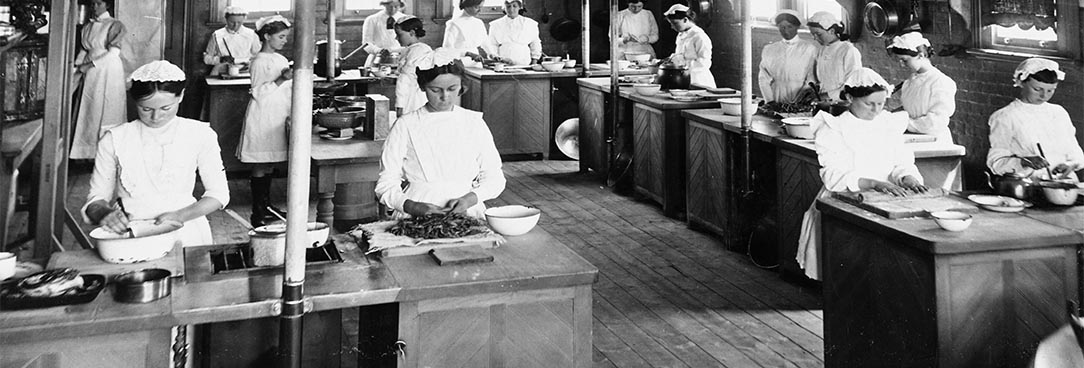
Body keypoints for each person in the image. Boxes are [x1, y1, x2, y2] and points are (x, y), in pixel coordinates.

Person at [796, 68, 927, 280]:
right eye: (869, 104)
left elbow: (900, 161)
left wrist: (907, 176)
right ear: (849, 97)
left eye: (881, 103)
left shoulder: (888, 123)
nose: (876, 110)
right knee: (847, 273)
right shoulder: (833, 128)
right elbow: (833, 176)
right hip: (843, 202)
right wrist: (873, 183)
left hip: (886, 202)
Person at [82, 60, 229, 247]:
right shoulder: (114, 138)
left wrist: (179, 216)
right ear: (135, 101)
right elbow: (95, 200)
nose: (156, 117)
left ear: (181, 96)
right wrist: (105, 214)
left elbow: (219, 194)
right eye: (146, 109)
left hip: (186, 230)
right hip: (132, 232)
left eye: (166, 108)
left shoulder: (200, 134)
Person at [375, 56, 506, 219]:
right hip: (416, 210)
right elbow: (386, 183)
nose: (445, 97)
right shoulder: (405, 125)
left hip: (468, 210)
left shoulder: (473, 122)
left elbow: (494, 177)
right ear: (423, 87)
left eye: (452, 89)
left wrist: (470, 199)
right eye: (435, 90)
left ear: (461, 86)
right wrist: (411, 205)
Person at [986, 58, 1084, 180]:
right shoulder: (1006, 116)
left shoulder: (1059, 113)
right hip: (1031, 185)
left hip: (1065, 184)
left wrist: (1070, 164)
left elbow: (1075, 151)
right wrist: (1023, 162)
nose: (1044, 96)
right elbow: (996, 162)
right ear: (1021, 82)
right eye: (1037, 89)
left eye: (1050, 90)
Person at [237, 15, 292, 226]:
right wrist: (281, 79)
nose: (284, 41)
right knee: (261, 162)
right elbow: (258, 92)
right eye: (281, 37)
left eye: (285, 37)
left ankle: (267, 205)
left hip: (277, 114)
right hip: (262, 115)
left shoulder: (279, 59)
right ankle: (258, 211)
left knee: (269, 162)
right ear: (267, 36)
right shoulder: (259, 61)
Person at [71, 0, 126, 160]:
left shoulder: (115, 25)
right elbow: (84, 50)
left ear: (106, 5)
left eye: (98, 3)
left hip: (108, 69)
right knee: (89, 108)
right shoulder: (87, 26)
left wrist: (89, 65)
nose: (94, 7)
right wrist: (76, 66)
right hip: (89, 69)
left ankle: (106, 155)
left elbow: (113, 53)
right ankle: (87, 154)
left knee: (106, 109)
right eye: (92, 4)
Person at [887, 32, 957, 143]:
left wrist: (904, 123)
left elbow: (936, 122)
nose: (901, 64)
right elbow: (911, 109)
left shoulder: (941, 82)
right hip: (913, 138)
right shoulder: (909, 82)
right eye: (899, 60)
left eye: (905, 60)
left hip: (934, 142)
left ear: (921, 55)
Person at [758, 9, 818, 103]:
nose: (786, 31)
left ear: (797, 26)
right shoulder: (769, 49)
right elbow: (763, 78)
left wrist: (799, 101)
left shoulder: (808, 48)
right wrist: (770, 101)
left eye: (790, 27)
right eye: (782, 27)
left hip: (799, 96)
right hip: (775, 95)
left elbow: (811, 79)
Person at [807, 11, 861, 103]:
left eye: (819, 34)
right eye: (813, 35)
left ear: (832, 31)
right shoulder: (821, 50)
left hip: (842, 103)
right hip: (824, 102)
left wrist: (826, 95)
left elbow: (853, 84)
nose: (815, 38)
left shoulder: (848, 50)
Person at [663, 4, 715, 88]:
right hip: (684, 77)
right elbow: (680, 54)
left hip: (698, 80)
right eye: (671, 24)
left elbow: (704, 63)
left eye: (675, 23)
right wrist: (671, 59)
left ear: (685, 20)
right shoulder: (681, 35)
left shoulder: (699, 36)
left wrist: (681, 63)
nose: (672, 27)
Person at [203, 6, 262, 76]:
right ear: (226, 19)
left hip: (246, 71)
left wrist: (249, 62)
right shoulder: (217, 35)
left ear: (244, 19)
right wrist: (221, 59)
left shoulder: (251, 35)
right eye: (232, 22)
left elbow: (259, 56)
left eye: (239, 22)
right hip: (222, 72)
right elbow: (207, 58)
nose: (235, 25)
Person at [394, 16, 433, 115]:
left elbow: (404, 79)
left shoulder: (418, 50)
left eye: (399, 35)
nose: (396, 38)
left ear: (411, 33)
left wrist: (399, 106)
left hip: (414, 97)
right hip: (413, 94)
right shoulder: (410, 49)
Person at [484, 0, 542, 66]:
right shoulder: (496, 25)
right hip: (503, 62)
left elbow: (535, 43)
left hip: (524, 62)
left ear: (520, 7)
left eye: (514, 6)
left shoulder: (529, 23)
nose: (511, 9)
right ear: (504, 7)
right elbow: (492, 44)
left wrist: (534, 62)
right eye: (508, 6)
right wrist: (497, 59)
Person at [362, 0, 408, 67]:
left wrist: (397, 50)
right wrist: (378, 50)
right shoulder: (371, 19)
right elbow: (366, 44)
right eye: (390, 7)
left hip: (400, 60)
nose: (393, 9)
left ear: (400, 5)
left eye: (396, 6)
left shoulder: (406, 19)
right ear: (384, 5)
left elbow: (410, 43)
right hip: (377, 60)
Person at [442, 0, 487, 66]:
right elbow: (447, 48)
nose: (480, 10)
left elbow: (485, 42)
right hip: (459, 62)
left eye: (481, 7)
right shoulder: (454, 24)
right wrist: (468, 53)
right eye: (477, 7)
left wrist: (492, 54)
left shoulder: (479, 23)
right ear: (467, 6)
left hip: (476, 62)